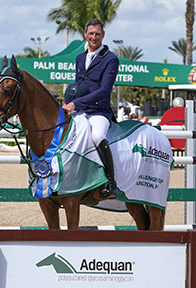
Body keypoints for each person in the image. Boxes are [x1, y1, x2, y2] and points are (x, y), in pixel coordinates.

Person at [62, 18, 120, 199]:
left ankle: (110, 182)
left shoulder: (111, 59)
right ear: (85, 35)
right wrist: (68, 101)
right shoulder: (80, 58)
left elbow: (104, 90)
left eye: (97, 34)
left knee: (96, 136)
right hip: (80, 111)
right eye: (91, 33)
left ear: (103, 36)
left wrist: (76, 104)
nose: (94, 37)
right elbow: (78, 86)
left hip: (99, 111)